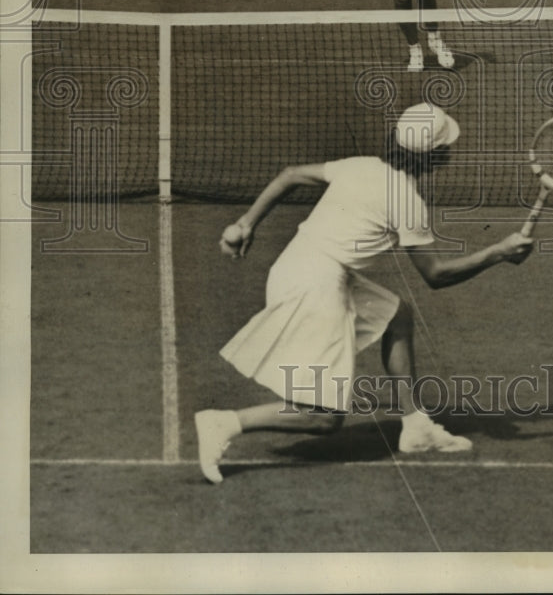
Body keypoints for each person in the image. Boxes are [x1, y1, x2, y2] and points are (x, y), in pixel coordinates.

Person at [194, 102, 533, 484]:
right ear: (435, 155)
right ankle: (224, 423)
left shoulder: (361, 165)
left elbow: (289, 175)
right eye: (447, 146)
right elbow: (436, 276)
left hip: (299, 266)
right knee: (323, 416)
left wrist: (245, 223)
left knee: (397, 314)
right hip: (316, 286)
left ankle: (416, 427)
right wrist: (497, 253)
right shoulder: (408, 203)